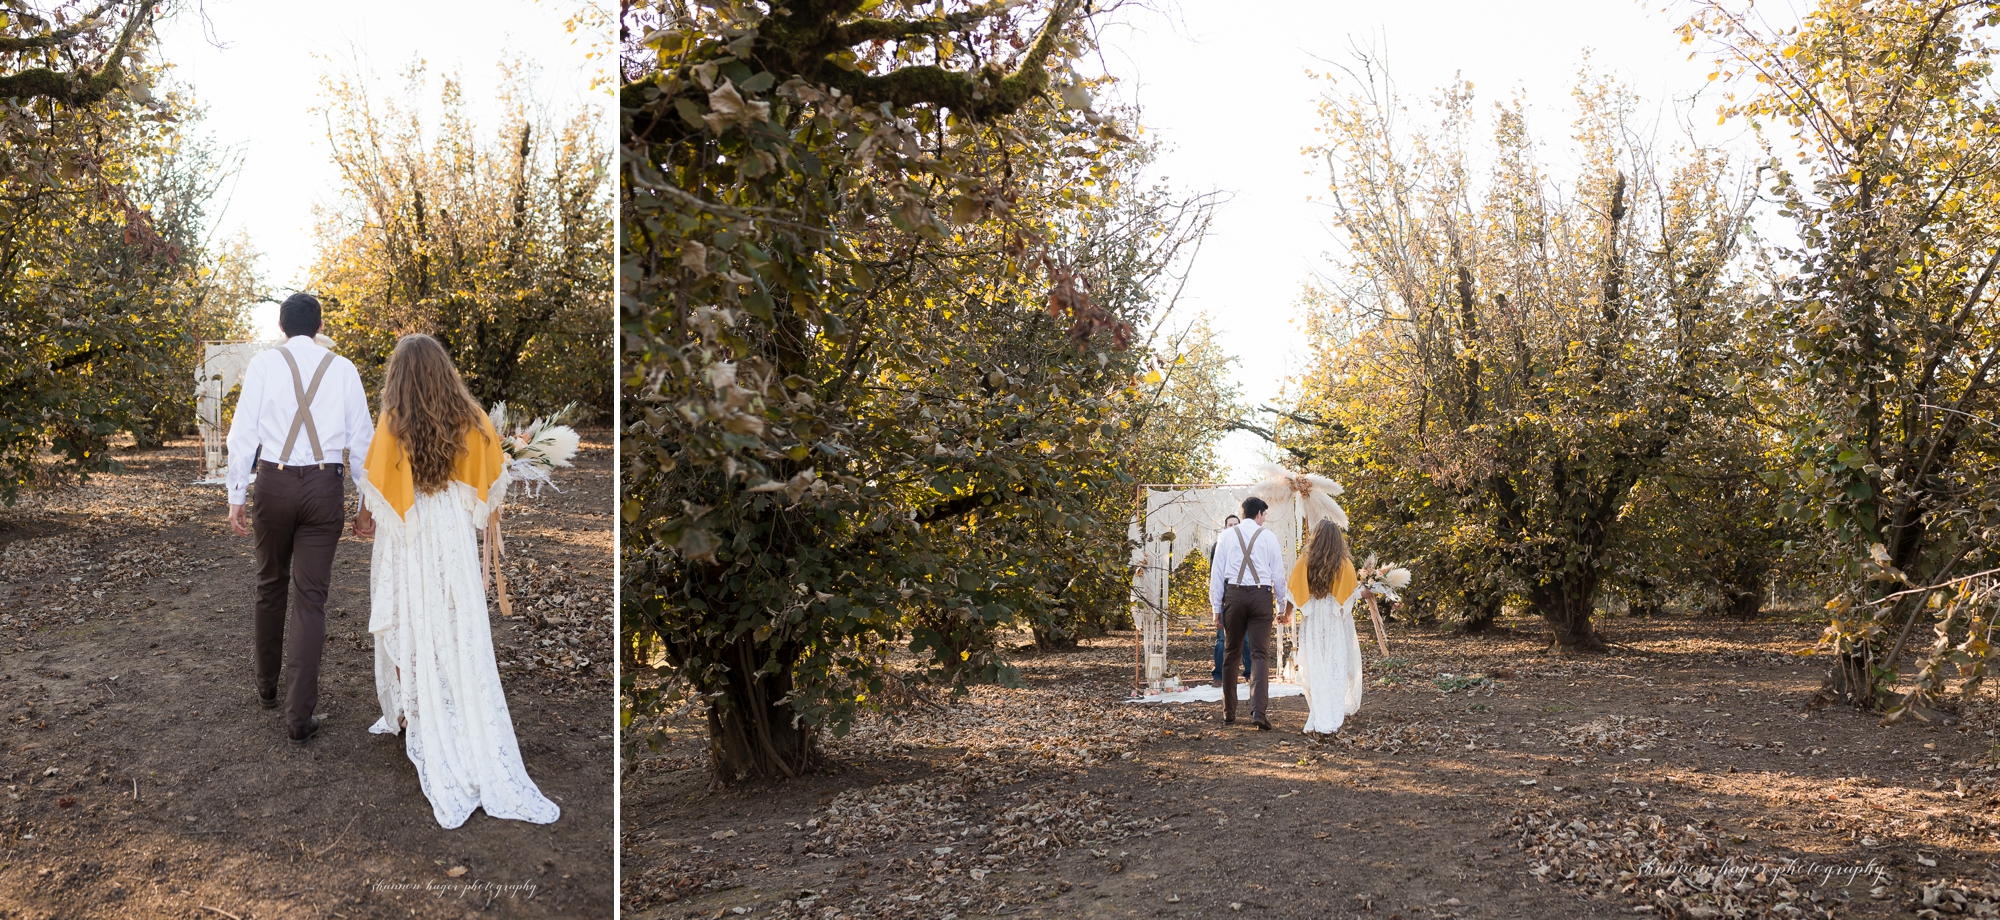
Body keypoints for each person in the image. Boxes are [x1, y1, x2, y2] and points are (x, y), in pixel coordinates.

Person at [356, 334, 560, 829]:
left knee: (408, 615)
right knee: (452, 619)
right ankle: (445, 710)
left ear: (397, 377)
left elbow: (377, 484)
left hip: (410, 534)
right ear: (445, 371)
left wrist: (363, 518)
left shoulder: (392, 420)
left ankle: (418, 712)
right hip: (448, 531)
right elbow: (491, 482)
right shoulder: (471, 419)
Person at [226, 292, 376, 744]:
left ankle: (267, 687)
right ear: (319, 326)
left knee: (270, 582)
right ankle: (298, 717)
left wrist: (237, 492)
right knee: (310, 599)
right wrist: (364, 504)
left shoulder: (264, 365)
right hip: (324, 488)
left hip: (273, 483)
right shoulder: (344, 368)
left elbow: (242, 433)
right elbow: (364, 443)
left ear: (281, 326)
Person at [1208, 497, 1289, 729]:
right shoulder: (1269, 537)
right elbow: (1279, 576)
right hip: (1261, 596)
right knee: (1260, 654)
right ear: (1260, 514)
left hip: (1233, 595)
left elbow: (1217, 574)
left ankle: (1229, 712)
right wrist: (1282, 607)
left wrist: (1217, 608)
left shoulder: (1226, 536)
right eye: (1265, 515)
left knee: (1231, 652)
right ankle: (1258, 713)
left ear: (1243, 514)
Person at [1286, 519, 1366, 736]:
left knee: (1315, 664)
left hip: (1313, 617)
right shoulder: (1345, 563)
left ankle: (1318, 712)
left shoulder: (1305, 561)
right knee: (1335, 664)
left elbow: (1293, 592)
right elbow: (1348, 599)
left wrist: (1286, 615)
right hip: (1333, 619)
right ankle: (1331, 712)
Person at [1208, 514, 1252, 685]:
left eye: (1236, 524)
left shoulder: (1246, 545)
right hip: (1226, 597)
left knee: (1247, 639)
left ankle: (1249, 674)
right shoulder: (1218, 546)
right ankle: (1219, 675)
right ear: (1225, 527)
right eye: (1230, 524)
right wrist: (1216, 602)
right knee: (1222, 638)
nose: (1233, 527)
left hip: (1243, 596)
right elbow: (1215, 574)